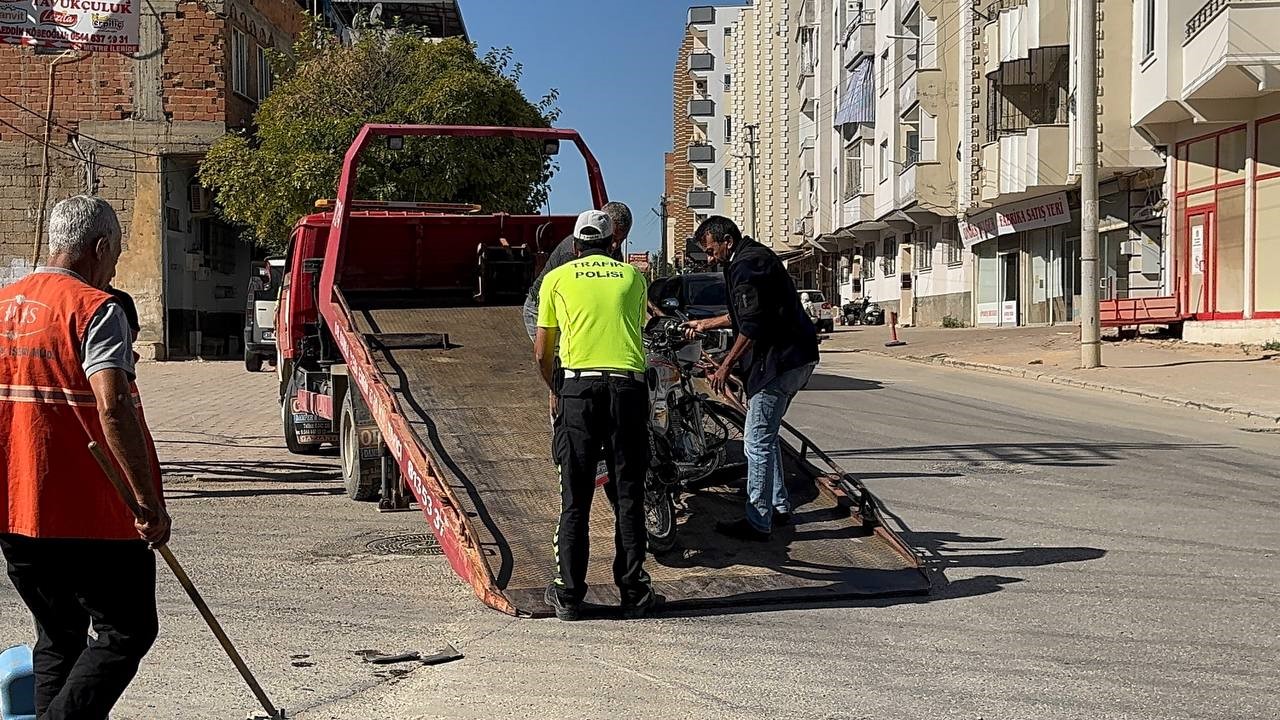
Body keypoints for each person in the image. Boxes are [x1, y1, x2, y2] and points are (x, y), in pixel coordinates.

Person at [0, 195, 170, 719]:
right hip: (89, 509)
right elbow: (113, 407)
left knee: (60, 636)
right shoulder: (97, 308)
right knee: (127, 630)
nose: (115, 263)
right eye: (116, 252)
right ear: (99, 247)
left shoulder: (3, 302)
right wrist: (147, 502)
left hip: (13, 507)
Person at [533, 209, 659, 621]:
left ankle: (569, 594)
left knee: (576, 497)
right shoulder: (633, 278)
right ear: (612, 243)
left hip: (578, 390)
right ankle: (634, 592)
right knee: (629, 494)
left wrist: (556, 389)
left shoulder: (556, 279)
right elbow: (636, 325)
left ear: (575, 245)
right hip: (627, 388)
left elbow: (542, 349)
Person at [683, 216, 819, 542]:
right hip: (799, 357)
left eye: (712, 250)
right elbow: (741, 314)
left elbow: (751, 325)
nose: (711, 258)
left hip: (780, 362)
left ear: (727, 241)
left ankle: (758, 521)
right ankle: (779, 505)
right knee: (767, 436)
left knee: (755, 442)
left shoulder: (746, 266)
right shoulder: (751, 257)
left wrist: (724, 367)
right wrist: (705, 325)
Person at [523, 201, 633, 340]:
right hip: (540, 307)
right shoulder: (573, 253)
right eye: (614, 237)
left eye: (621, 239)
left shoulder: (612, 250)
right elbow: (572, 300)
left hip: (570, 304)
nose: (616, 245)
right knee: (560, 354)